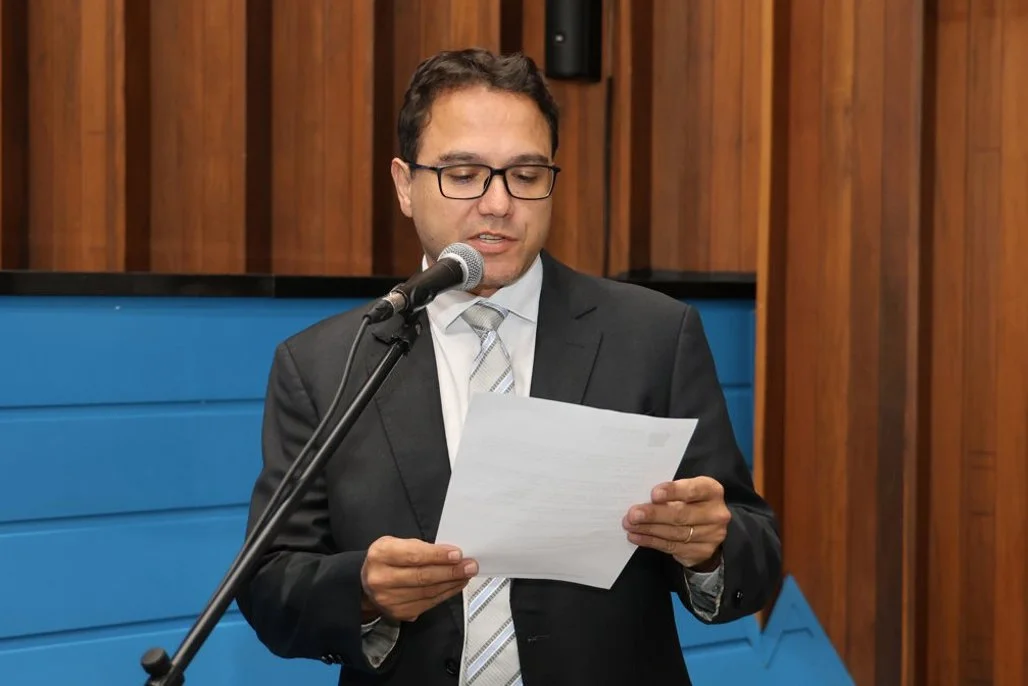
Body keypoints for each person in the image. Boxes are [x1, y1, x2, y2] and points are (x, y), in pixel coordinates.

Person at [236, 48, 781, 686]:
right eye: (464, 173)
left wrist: (711, 547)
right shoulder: (325, 363)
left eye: (525, 174)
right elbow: (270, 580)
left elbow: (753, 551)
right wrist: (361, 590)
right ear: (405, 185)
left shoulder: (654, 336)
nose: (498, 203)